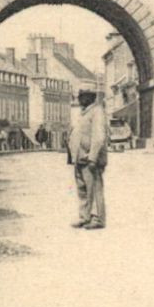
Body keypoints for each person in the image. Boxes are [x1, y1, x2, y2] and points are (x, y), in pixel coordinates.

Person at [69, 89, 109, 229]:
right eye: (78, 96)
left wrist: (93, 158)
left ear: (90, 97)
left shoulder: (97, 111)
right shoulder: (84, 112)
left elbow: (99, 137)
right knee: (82, 189)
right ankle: (84, 217)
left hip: (90, 158)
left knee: (94, 188)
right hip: (80, 158)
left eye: (81, 96)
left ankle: (97, 218)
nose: (79, 99)